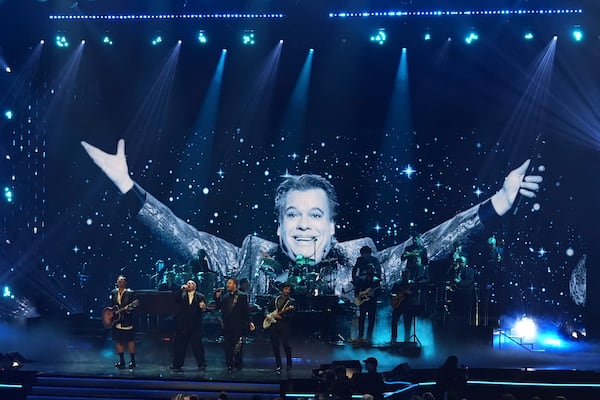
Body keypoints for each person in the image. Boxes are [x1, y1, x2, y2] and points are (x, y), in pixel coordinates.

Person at [81, 139, 542, 300]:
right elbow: (183, 235)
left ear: (332, 226)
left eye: (315, 215)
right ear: (278, 225)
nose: (304, 224)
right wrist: (127, 187)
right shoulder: (249, 256)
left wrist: (499, 202)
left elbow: (432, 242)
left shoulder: (360, 259)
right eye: (293, 215)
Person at [214, 277, 255, 372]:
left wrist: (250, 322)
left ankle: (238, 365)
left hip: (238, 325)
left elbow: (246, 311)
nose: (227, 285)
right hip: (227, 326)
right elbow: (219, 307)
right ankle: (229, 365)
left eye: (229, 283)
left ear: (235, 285)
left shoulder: (242, 296)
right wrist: (217, 297)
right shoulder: (225, 297)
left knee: (237, 346)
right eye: (227, 283)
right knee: (227, 347)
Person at [170, 279, 207, 372]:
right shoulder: (182, 295)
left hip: (195, 325)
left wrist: (203, 308)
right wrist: (180, 289)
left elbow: (204, 309)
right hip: (182, 325)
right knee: (179, 346)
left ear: (195, 286)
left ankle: (201, 364)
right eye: (188, 283)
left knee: (197, 346)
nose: (189, 284)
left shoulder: (200, 296)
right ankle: (176, 365)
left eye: (191, 283)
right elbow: (174, 299)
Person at [265, 282, 295, 373]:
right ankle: (278, 365)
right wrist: (267, 315)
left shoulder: (291, 301)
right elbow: (267, 308)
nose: (287, 291)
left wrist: (282, 317)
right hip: (273, 325)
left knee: (286, 345)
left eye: (288, 289)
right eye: (285, 289)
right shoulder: (275, 299)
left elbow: (293, 314)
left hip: (284, 325)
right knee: (275, 346)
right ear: (282, 289)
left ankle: (289, 364)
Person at [109, 275, 137, 369]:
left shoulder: (130, 292)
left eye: (122, 280)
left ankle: (132, 360)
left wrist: (128, 309)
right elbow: (112, 306)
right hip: (116, 320)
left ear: (125, 282)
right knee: (118, 340)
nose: (120, 282)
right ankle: (122, 361)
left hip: (127, 320)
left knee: (130, 340)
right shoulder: (113, 292)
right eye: (119, 280)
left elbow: (135, 304)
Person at [353, 259, 381, 343]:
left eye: (372, 269)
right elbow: (357, 289)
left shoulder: (376, 280)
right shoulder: (361, 279)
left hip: (372, 302)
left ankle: (369, 337)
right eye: (369, 269)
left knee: (371, 320)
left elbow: (379, 292)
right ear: (366, 270)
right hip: (363, 302)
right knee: (361, 319)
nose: (370, 270)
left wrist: (374, 295)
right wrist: (359, 296)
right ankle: (360, 336)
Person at [390, 270, 416, 343]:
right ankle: (393, 338)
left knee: (407, 323)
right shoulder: (397, 284)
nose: (406, 276)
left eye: (407, 275)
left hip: (408, 306)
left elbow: (415, 294)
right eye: (404, 275)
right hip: (398, 305)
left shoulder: (412, 283)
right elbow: (391, 293)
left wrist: (410, 293)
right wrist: (396, 296)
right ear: (402, 275)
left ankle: (407, 338)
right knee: (394, 321)